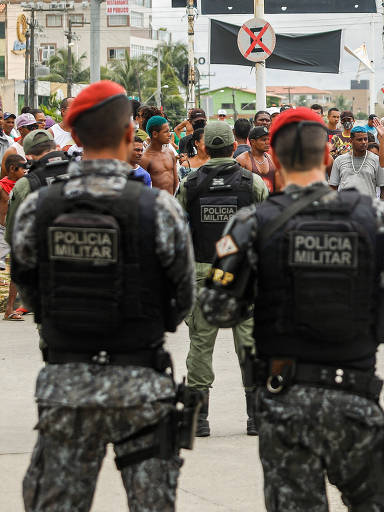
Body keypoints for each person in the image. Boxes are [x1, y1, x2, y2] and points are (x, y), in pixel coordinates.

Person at [197, 107, 384, 511]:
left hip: (286, 401)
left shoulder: (251, 223)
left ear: (275, 158)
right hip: (355, 397)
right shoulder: (375, 218)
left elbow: (217, 310)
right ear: (328, 157)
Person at [12, 80, 197, 512]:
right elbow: (184, 294)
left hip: (67, 383)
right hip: (143, 384)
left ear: (73, 138)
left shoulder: (38, 208)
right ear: (131, 134)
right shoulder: (160, 209)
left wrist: (59, 318)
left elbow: (26, 282)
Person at [176, 120, 269, 437]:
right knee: (251, 345)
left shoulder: (189, 183)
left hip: (204, 275)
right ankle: (256, 418)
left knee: (201, 346)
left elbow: (176, 232)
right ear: (233, 146)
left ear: (205, 146)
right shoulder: (251, 182)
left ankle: (199, 420)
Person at [329, 125, 384, 199]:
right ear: (351, 141)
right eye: (359, 140)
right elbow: (333, 187)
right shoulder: (339, 160)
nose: (364, 142)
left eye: (365, 139)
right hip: (345, 208)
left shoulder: (376, 160)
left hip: (368, 208)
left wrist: (381, 208)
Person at [1, 154, 25, 318]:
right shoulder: (1, 186)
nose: (25, 170)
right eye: (22, 167)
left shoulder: (25, 186)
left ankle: (9, 309)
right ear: (11, 169)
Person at [236, 125, 283, 193]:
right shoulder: (242, 160)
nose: (268, 142)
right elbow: (238, 188)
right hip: (251, 202)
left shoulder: (272, 160)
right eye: (264, 140)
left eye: (268, 139)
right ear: (253, 142)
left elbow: (278, 189)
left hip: (270, 201)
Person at [140, 115, 178, 195]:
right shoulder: (145, 158)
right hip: (154, 204)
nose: (170, 134)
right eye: (166, 131)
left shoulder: (170, 152)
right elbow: (142, 188)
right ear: (155, 134)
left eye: (169, 131)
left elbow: (175, 180)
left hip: (171, 201)